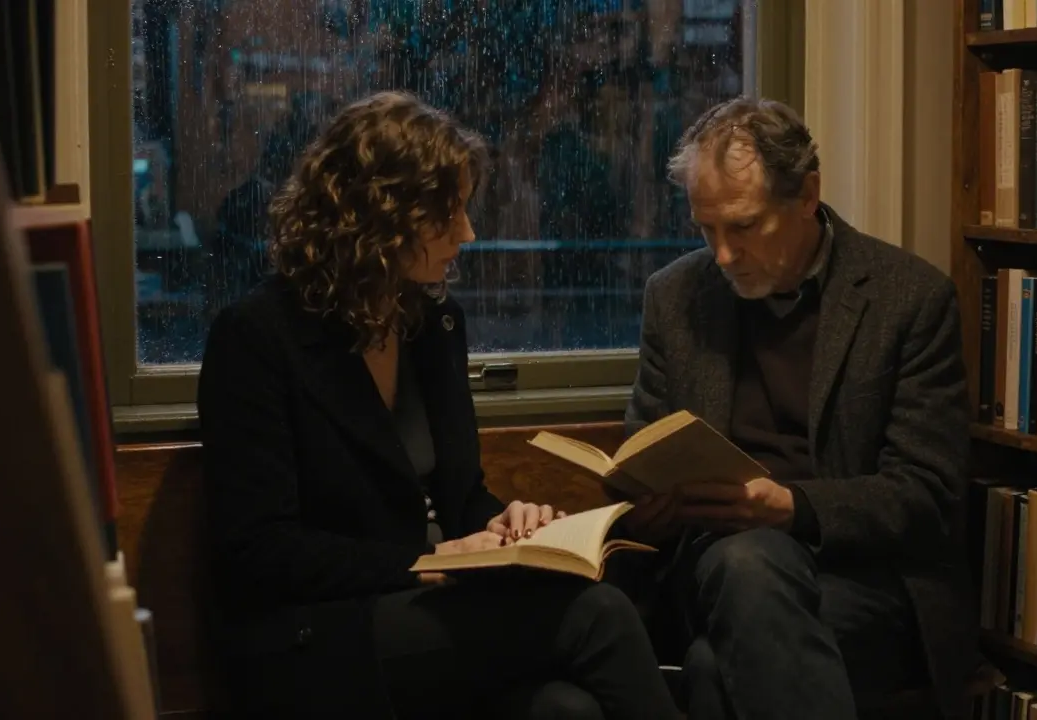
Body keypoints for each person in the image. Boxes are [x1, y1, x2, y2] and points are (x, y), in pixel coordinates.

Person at [197, 91, 680, 720]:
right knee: (598, 614)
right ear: (378, 217)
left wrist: (507, 526)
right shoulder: (258, 337)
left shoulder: (433, 323)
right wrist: (419, 562)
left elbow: (458, 499)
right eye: (446, 215)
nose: (468, 234)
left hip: (426, 610)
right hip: (313, 634)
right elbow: (256, 551)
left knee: (565, 710)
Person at [620, 97, 978, 720]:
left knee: (712, 667)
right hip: (710, 566)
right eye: (707, 229)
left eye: (745, 226)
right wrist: (644, 512)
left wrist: (794, 507)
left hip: (857, 574)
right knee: (744, 559)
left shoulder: (908, 298)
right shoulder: (676, 297)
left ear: (807, 194)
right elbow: (644, 455)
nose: (723, 254)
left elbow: (928, 491)